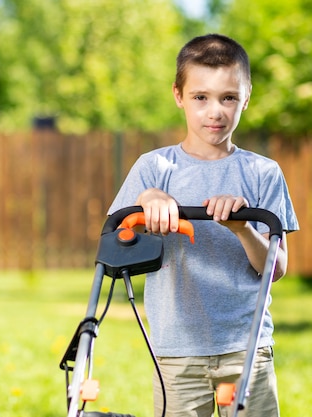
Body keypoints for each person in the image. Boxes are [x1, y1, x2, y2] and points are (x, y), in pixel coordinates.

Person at [107, 34, 299, 416]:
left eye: (228, 98)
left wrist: (242, 227)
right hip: (176, 351)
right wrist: (147, 201)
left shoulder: (262, 173)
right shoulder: (155, 168)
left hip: (246, 349)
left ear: (246, 98)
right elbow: (115, 241)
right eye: (201, 97)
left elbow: (275, 269)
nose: (215, 112)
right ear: (178, 95)